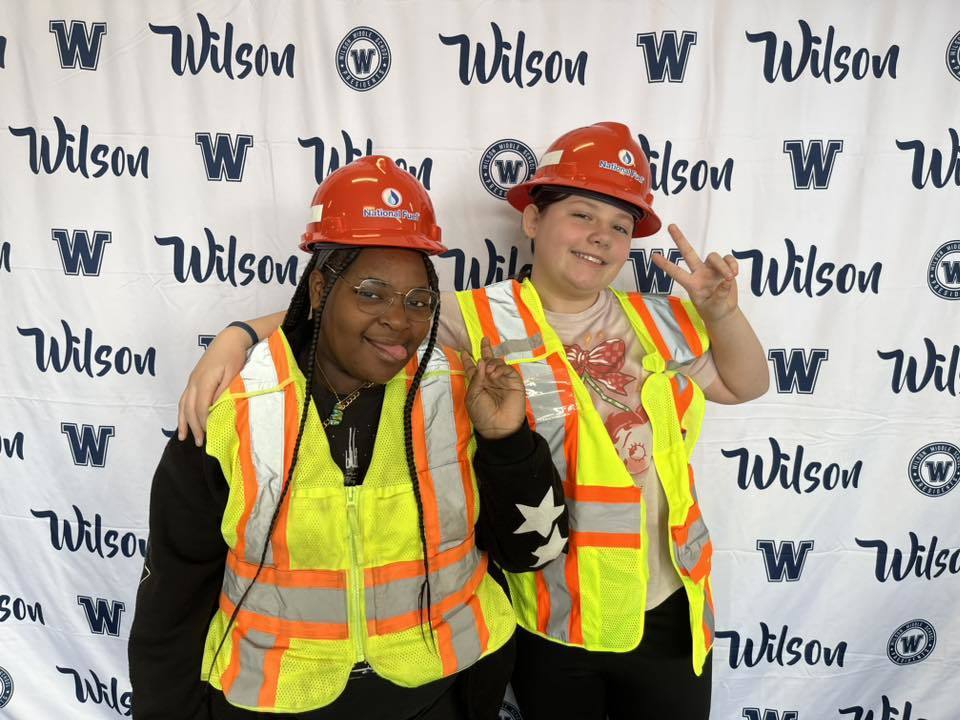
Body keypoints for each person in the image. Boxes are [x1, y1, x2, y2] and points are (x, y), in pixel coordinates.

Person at [174, 123, 769, 720]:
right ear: (533, 221)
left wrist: (722, 313)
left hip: (667, 606)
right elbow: (353, 311)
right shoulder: (473, 316)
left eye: (620, 225)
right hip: (553, 611)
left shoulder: (663, 319)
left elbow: (747, 384)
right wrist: (241, 333)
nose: (601, 236)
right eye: (582, 213)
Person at [129, 156, 569, 719]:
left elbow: (534, 550)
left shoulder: (462, 389)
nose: (399, 320)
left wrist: (507, 440)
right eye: (372, 293)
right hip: (276, 703)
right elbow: (173, 598)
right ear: (320, 287)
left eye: (419, 300)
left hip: (440, 694)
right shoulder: (234, 410)